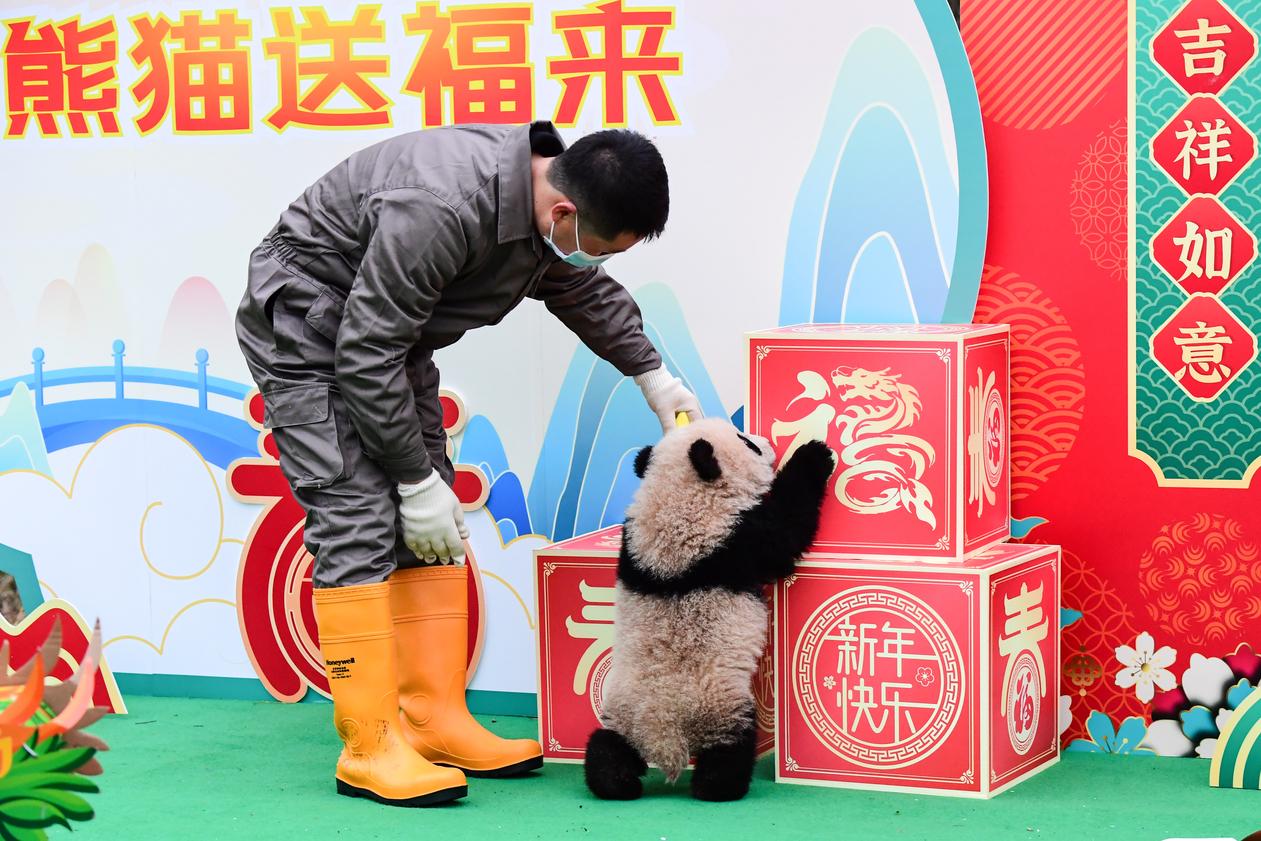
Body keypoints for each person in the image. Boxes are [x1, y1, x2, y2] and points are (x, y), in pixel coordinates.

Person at [236, 120, 701, 807]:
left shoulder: (543, 205)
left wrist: (651, 375)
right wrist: (412, 479)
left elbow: (580, 287)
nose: (592, 260)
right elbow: (364, 355)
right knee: (358, 513)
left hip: (385, 339)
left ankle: (433, 719)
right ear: (564, 212)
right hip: (309, 326)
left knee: (432, 516)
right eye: (598, 248)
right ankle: (368, 745)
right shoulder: (440, 208)